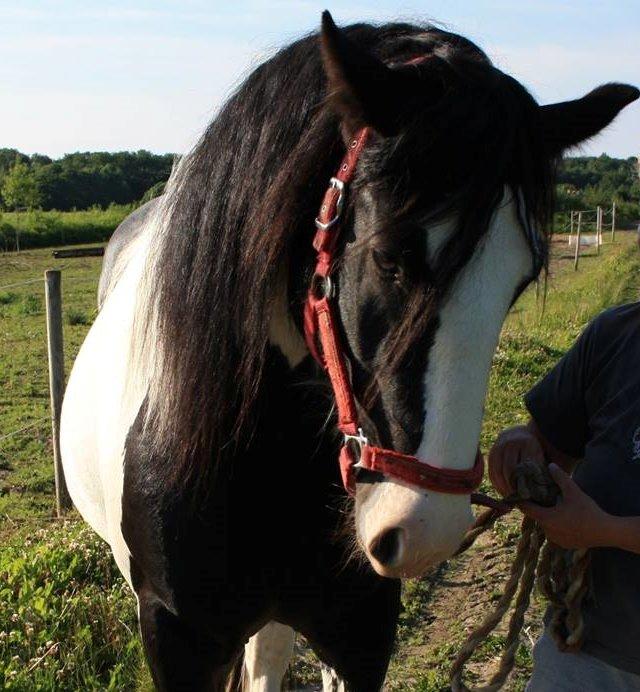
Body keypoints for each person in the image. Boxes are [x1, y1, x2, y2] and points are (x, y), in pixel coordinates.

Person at [488, 301, 640, 691]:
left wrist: (603, 530)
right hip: (585, 645)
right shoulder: (617, 334)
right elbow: (545, 442)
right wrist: (520, 445)